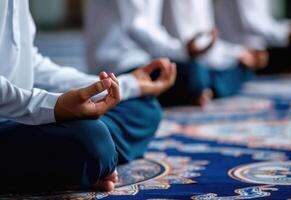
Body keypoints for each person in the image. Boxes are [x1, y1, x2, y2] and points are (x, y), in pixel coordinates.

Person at [0, 0, 176, 193]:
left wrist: (125, 85)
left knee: (144, 108)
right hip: (12, 120)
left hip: (23, 118)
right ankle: (85, 162)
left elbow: (33, 64)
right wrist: (55, 107)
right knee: (92, 139)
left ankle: (76, 166)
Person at [85, 0, 220, 106]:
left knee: (202, 70)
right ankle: (200, 89)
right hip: (117, 65)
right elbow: (135, 26)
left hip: (146, 59)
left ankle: (199, 89)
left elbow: (152, 27)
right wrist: (182, 50)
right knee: (195, 75)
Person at [161, 0, 268, 106]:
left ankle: (204, 89)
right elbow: (188, 44)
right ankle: (203, 89)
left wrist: (240, 53)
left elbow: (209, 42)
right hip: (180, 58)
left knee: (241, 68)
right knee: (195, 73)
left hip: (203, 59)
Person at [216, 0, 291, 74]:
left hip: (248, 58)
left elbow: (261, 20)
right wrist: (289, 32)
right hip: (233, 61)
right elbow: (252, 22)